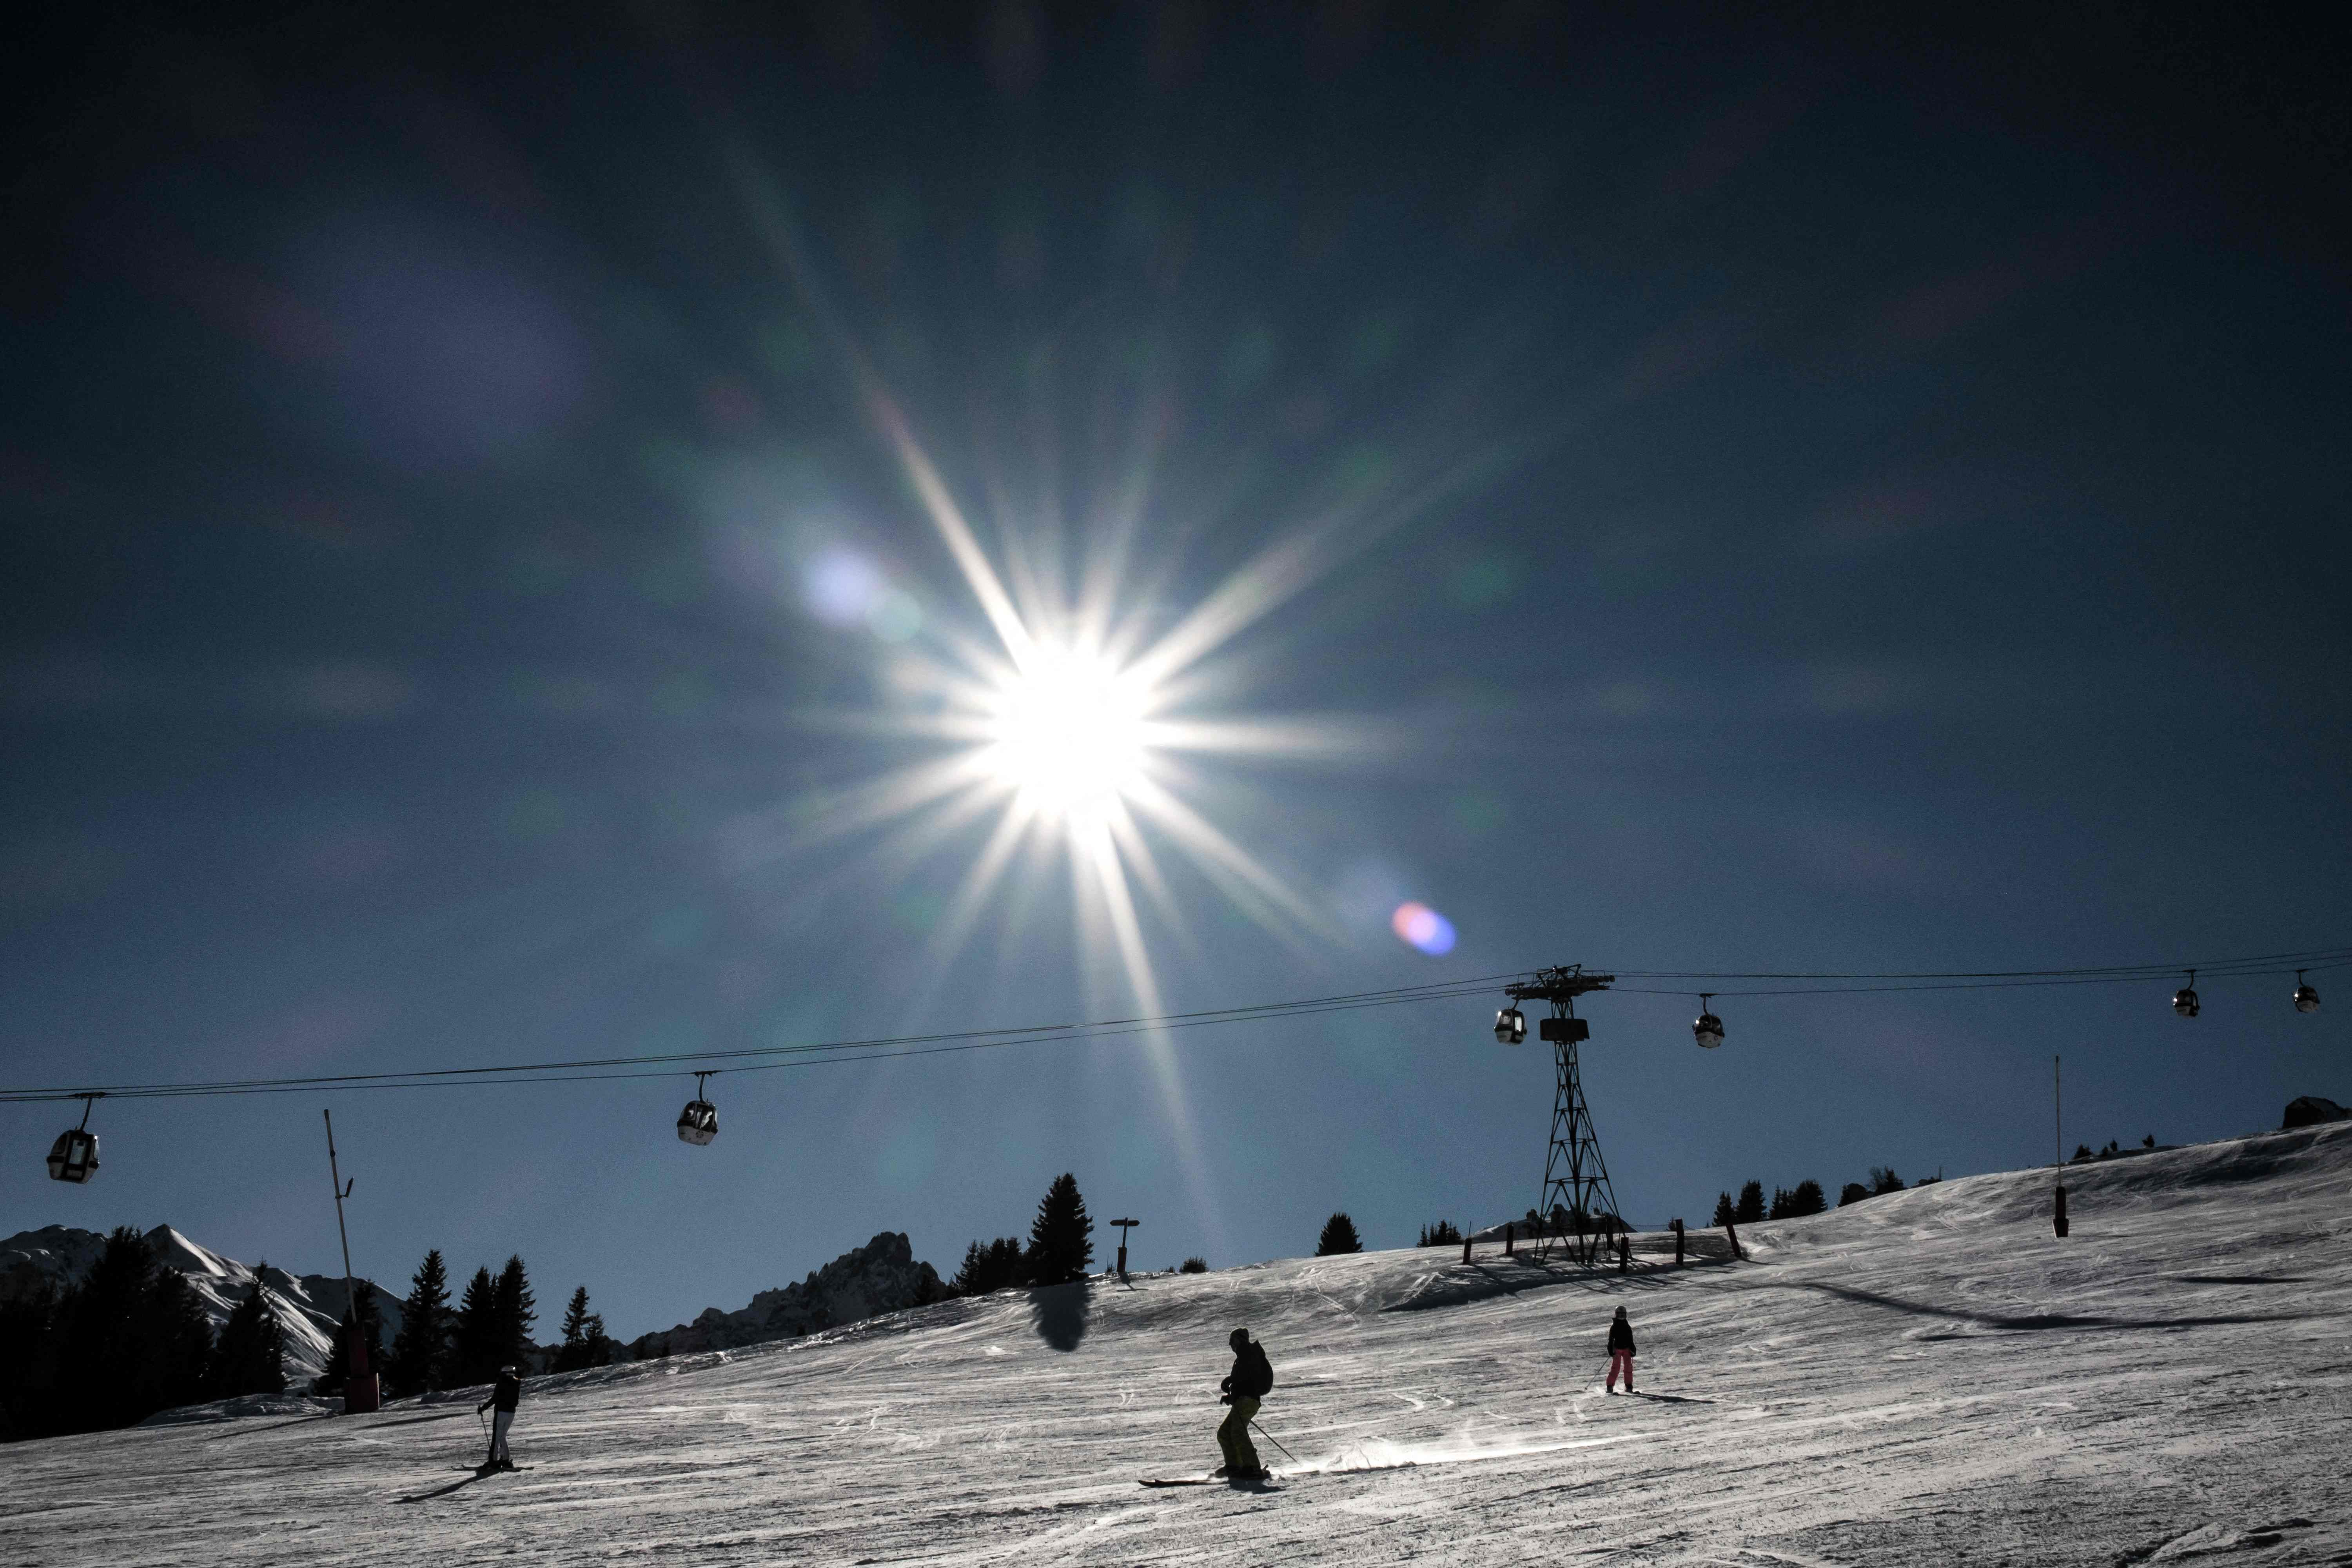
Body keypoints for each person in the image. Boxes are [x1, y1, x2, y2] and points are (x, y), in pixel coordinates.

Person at [1215, 1328, 1275, 1479]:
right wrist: (1231, 1394)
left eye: (1233, 1340)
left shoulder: (1248, 1354)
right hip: (1243, 1400)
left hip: (1249, 1400)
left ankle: (1252, 1467)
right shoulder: (1244, 1356)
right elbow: (1243, 1381)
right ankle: (1234, 1466)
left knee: (1237, 1432)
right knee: (1224, 1433)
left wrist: (1230, 1381)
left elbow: (1245, 1380)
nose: (1230, 1344)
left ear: (1241, 1340)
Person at [478, 1363, 523, 1469]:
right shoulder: (517, 1383)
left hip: (501, 1413)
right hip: (511, 1413)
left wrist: (483, 1408)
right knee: (502, 1436)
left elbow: (495, 1399)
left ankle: (493, 1462)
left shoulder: (502, 1383)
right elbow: (516, 1402)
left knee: (496, 1438)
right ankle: (505, 1460)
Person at [1606, 1307, 1636, 1394]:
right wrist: (1610, 1350)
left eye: (1623, 1314)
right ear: (1617, 1315)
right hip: (1617, 1349)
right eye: (1620, 1315)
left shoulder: (1627, 1326)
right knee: (1616, 1368)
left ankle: (1629, 1386)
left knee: (1628, 1367)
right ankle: (1610, 1386)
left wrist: (1633, 1348)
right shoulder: (1614, 1326)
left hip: (1627, 1349)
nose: (1622, 1316)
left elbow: (1631, 1339)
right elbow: (1611, 1340)